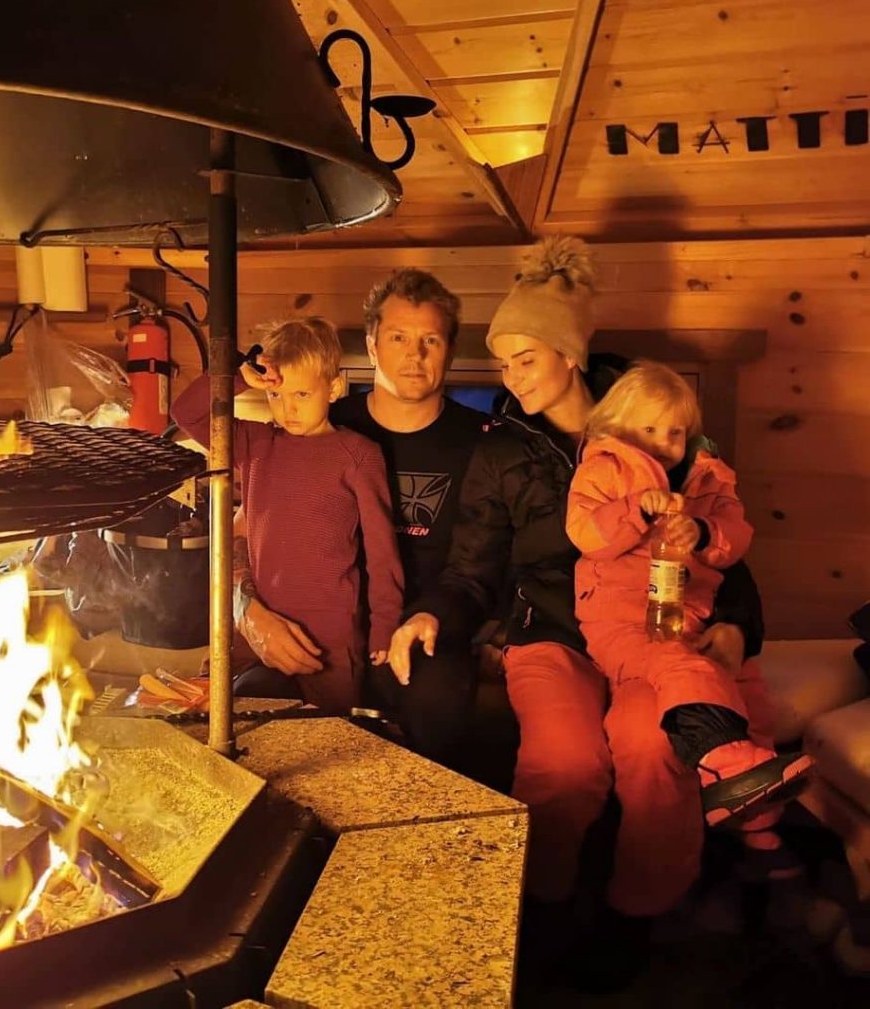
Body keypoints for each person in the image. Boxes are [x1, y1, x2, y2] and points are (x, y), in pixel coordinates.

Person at [386, 236, 768, 964]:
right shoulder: (502, 449)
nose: (510, 377)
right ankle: (541, 906)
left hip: (654, 631)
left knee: (653, 745)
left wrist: (739, 627)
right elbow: (471, 568)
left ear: (569, 354)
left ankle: (635, 914)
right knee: (564, 761)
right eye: (503, 363)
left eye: (525, 360)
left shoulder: (662, 428)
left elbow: (723, 538)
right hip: (552, 632)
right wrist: (432, 613)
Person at [233, 270, 488, 761]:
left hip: (426, 632)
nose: (414, 354)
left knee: (431, 710)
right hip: (311, 628)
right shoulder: (309, 424)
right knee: (253, 716)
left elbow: (482, 564)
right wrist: (246, 611)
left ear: (450, 349)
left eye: (430, 340)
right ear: (371, 346)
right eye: (398, 337)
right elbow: (243, 531)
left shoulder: (482, 443)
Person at [566, 361, 811, 844]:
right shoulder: (603, 469)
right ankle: (726, 763)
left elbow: (736, 537)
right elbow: (585, 533)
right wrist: (635, 510)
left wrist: (702, 531)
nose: (663, 442)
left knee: (747, 690)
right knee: (680, 666)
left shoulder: (709, 477)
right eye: (649, 429)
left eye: (674, 432)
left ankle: (754, 810)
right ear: (617, 425)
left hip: (692, 613)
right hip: (620, 618)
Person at [172, 316, 404, 712]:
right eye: (276, 395)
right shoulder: (256, 442)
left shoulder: (359, 455)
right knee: (241, 723)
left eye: (301, 394)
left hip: (330, 633)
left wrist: (385, 626)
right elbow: (186, 413)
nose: (288, 409)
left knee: (328, 731)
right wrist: (239, 377)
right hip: (257, 621)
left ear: (334, 388)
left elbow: (383, 553)